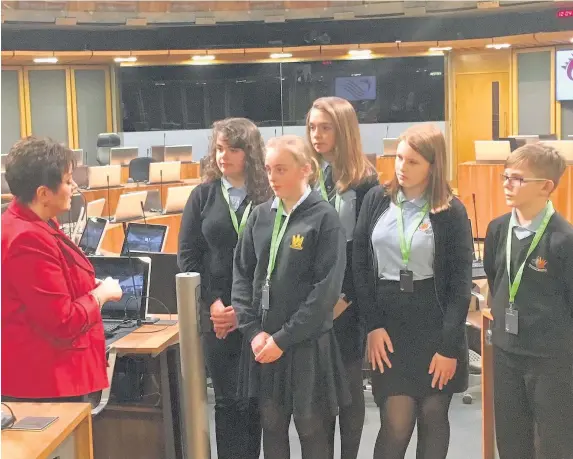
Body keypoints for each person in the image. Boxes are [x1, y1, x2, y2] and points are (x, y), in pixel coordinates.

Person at [353, 124, 472, 459]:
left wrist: (449, 347)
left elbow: (461, 283)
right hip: (389, 326)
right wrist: (372, 325)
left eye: (413, 162)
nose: (402, 168)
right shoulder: (377, 199)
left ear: (433, 166)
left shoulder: (451, 210)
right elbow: (360, 265)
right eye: (399, 158)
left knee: (433, 415)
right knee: (396, 422)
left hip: (436, 326)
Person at [232, 135, 350, 459]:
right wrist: (253, 331)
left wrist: (283, 338)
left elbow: (326, 290)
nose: (272, 177)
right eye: (269, 169)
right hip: (264, 341)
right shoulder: (259, 216)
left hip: (305, 343)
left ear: (306, 170)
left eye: (281, 169)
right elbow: (241, 276)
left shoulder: (324, 218)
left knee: (311, 428)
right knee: (271, 425)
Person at [1, 137, 122, 402]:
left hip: (48, 377)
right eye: (67, 181)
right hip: (46, 382)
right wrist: (101, 295)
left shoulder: (36, 223)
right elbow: (62, 321)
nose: (73, 186)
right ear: (43, 193)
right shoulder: (27, 238)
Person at [178, 118, 270, 459]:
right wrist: (214, 304)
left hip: (259, 314)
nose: (224, 156)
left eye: (233, 149)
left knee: (255, 401)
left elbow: (275, 260)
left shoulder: (267, 196)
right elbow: (188, 256)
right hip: (217, 316)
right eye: (219, 149)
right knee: (227, 400)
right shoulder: (202, 196)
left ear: (250, 153)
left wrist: (245, 312)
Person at [483, 143, 573, 459]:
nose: (508, 184)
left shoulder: (564, 239)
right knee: (510, 440)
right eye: (505, 176)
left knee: (552, 442)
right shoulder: (497, 230)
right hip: (507, 353)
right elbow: (495, 278)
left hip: (551, 359)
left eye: (518, 179)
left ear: (546, 187)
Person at [306, 96, 379, 459]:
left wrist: (345, 297)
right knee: (319, 390)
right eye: (312, 127)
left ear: (344, 130)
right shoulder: (312, 177)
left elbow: (365, 252)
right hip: (313, 301)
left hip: (347, 302)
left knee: (349, 388)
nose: (316, 135)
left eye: (325, 127)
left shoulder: (366, 184)